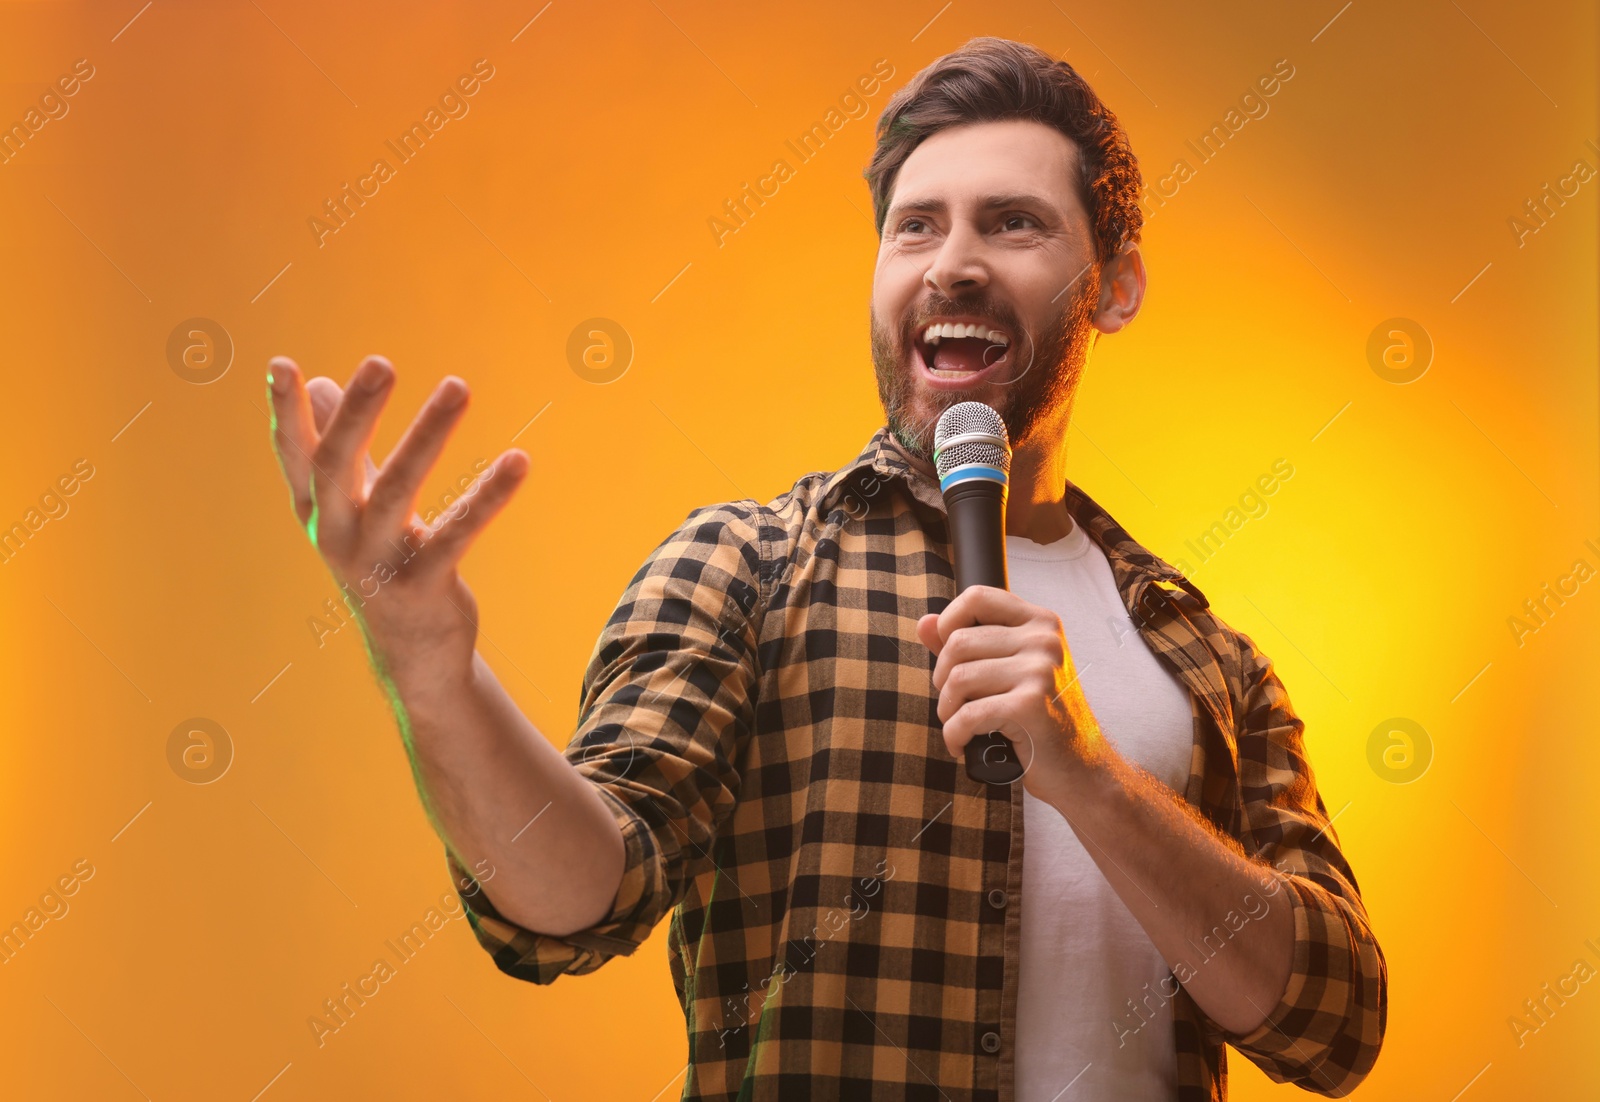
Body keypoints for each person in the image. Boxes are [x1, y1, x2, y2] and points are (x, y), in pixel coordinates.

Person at [265, 35, 1385, 1102]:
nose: (952, 261)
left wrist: (1089, 776)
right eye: (915, 228)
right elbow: (572, 899)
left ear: (1116, 284)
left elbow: (1333, 1024)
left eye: (1011, 223)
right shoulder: (744, 568)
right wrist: (430, 673)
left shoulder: (1199, 654)